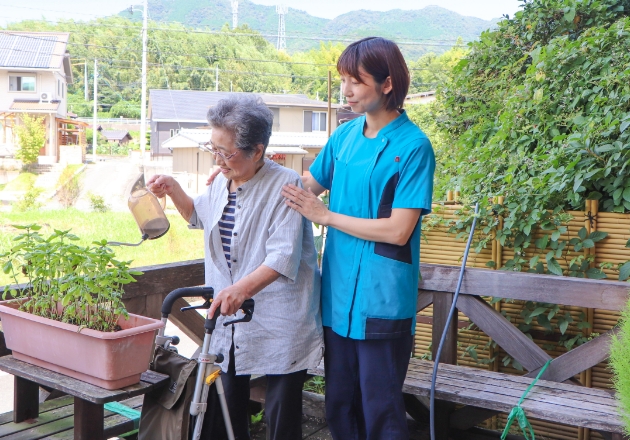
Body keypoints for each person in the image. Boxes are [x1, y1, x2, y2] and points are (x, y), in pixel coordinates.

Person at [281, 37, 436, 439]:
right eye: (343, 81)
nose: (346, 91)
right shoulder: (343, 138)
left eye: (356, 81)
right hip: (337, 295)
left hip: (381, 298)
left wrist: (327, 217)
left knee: (381, 409)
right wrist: (247, 171)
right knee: (339, 404)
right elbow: (306, 188)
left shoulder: (414, 147)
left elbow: (400, 229)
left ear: (387, 84)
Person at [147, 95, 324, 440]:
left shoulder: (286, 184)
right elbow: (199, 215)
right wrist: (174, 189)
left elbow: (282, 256)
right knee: (227, 406)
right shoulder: (222, 180)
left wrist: (240, 290)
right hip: (231, 316)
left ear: (257, 151)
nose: (218, 159)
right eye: (213, 149)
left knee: (280, 414)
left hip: (280, 317)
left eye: (226, 152)